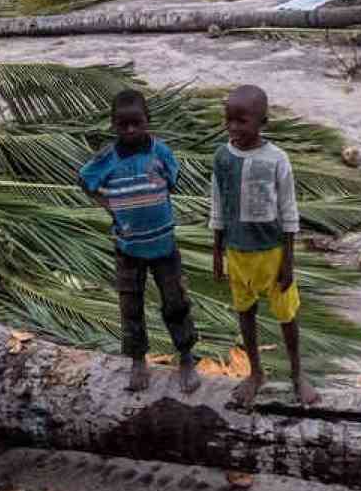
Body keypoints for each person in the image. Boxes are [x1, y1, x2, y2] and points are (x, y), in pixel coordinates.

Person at [79, 88, 199, 394]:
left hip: (164, 245)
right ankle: (137, 359)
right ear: (113, 125)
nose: (130, 130)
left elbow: (170, 183)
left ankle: (186, 356)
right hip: (128, 248)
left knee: (175, 302)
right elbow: (86, 180)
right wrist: (111, 206)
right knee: (131, 306)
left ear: (148, 121)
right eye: (123, 125)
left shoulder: (162, 153)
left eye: (136, 123)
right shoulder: (106, 158)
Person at [211, 84, 318, 409]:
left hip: (272, 253)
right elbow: (217, 206)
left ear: (263, 122)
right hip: (237, 252)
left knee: (287, 315)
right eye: (228, 120)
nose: (233, 128)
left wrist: (289, 262)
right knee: (245, 312)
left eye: (241, 121)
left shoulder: (276, 160)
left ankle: (298, 373)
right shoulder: (222, 157)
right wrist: (217, 253)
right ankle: (256, 372)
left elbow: (289, 212)